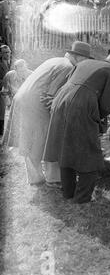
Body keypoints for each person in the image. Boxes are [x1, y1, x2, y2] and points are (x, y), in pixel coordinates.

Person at [43, 48, 110, 204]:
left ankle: (68, 192)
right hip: (81, 104)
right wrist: (100, 120)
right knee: (89, 153)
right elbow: (108, 103)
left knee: (65, 147)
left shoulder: (86, 62)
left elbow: (69, 81)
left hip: (61, 100)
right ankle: (82, 198)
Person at [2, 41, 92, 187]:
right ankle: (54, 178)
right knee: (51, 139)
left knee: (29, 140)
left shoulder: (55, 60)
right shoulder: (68, 67)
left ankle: (36, 178)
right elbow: (51, 95)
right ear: (78, 57)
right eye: (86, 59)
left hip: (22, 99)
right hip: (35, 103)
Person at [0, 44, 11, 136]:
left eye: (8, 52)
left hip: (9, 91)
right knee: (2, 111)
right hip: (2, 90)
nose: (7, 54)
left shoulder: (11, 62)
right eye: (5, 52)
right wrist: (4, 83)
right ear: (1, 54)